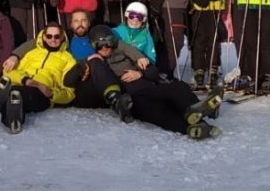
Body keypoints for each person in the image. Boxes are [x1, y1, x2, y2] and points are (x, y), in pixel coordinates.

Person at [82, 25, 221, 139]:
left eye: (108, 42)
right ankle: (192, 128)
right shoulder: (97, 65)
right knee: (158, 112)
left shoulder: (125, 53)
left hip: (150, 87)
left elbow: (153, 72)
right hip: (134, 97)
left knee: (177, 88)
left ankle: (197, 110)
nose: (105, 47)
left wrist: (139, 72)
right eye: (99, 45)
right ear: (93, 45)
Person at [0, 23, 76, 133]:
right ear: (44, 36)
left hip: (42, 92)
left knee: (16, 92)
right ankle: (13, 117)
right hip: (23, 83)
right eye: (49, 36)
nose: (53, 40)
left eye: (57, 36)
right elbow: (9, 71)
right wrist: (25, 80)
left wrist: (51, 94)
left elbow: (70, 93)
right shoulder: (32, 53)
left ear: (62, 38)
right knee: (11, 88)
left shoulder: (69, 59)